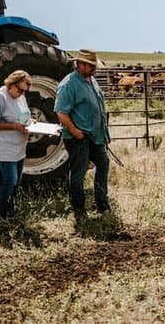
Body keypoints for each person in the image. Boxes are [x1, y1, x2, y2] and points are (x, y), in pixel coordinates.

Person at [54, 49, 110, 221]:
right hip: (79, 136)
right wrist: (75, 132)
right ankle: (79, 209)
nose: (94, 68)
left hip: (95, 134)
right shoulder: (68, 84)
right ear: (80, 64)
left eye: (94, 65)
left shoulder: (91, 80)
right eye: (90, 65)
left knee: (103, 163)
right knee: (78, 172)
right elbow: (61, 112)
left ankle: (102, 203)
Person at [0, 70, 32, 218]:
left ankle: (11, 209)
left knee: (17, 180)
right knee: (10, 179)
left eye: (25, 91)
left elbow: (22, 116)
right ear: (11, 84)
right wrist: (15, 126)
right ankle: (2, 214)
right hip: (5, 146)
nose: (22, 93)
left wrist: (31, 123)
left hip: (19, 145)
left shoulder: (20, 97)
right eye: (20, 90)